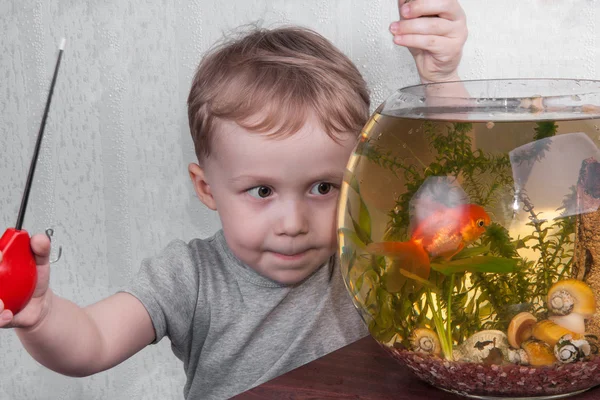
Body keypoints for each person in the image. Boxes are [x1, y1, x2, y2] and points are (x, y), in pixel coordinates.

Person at [0, 1, 468, 399]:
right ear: (207, 189)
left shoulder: (363, 258)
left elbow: (458, 191)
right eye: (262, 191)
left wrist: (442, 77)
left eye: (324, 187)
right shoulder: (188, 278)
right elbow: (93, 342)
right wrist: (40, 316)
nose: (293, 222)